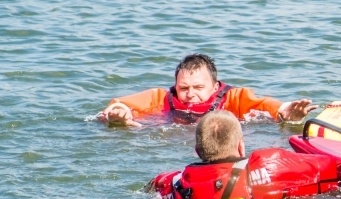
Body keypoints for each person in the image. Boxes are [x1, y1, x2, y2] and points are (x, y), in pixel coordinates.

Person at [148, 110, 338, 199]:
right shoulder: (271, 164)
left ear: (197, 151)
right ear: (241, 146)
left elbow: (153, 185)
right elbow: (330, 165)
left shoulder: (176, 184)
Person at [98, 53, 317, 127]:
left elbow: (264, 105)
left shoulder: (234, 98)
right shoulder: (160, 98)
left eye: (198, 87)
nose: (190, 93)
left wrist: (286, 112)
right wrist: (118, 114)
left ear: (214, 86)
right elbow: (119, 104)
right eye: (184, 88)